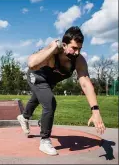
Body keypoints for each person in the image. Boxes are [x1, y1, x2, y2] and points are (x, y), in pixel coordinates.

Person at [17, 26, 106, 156]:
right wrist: (52, 48)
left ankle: (24, 117)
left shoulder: (79, 60)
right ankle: (45, 140)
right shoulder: (54, 51)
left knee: (38, 97)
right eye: (74, 48)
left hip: (50, 81)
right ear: (64, 45)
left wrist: (95, 110)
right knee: (50, 102)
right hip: (36, 76)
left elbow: (86, 83)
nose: (77, 52)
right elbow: (32, 63)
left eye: (79, 49)